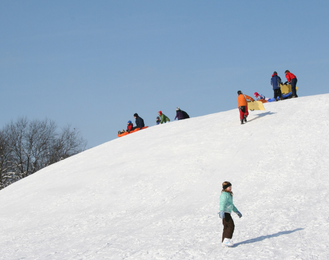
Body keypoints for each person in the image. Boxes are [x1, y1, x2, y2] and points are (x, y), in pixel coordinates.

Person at [219, 181, 242, 247]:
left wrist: (236, 211)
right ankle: (227, 240)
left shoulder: (228, 194)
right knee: (231, 225)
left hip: (227, 212)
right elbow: (222, 203)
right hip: (225, 212)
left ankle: (224, 241)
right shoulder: (224, 194)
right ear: (225, 188)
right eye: (229, 187)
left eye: (230, 186)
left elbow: (231, 205)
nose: (230, 188)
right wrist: (221, 211)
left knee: (226, 226)